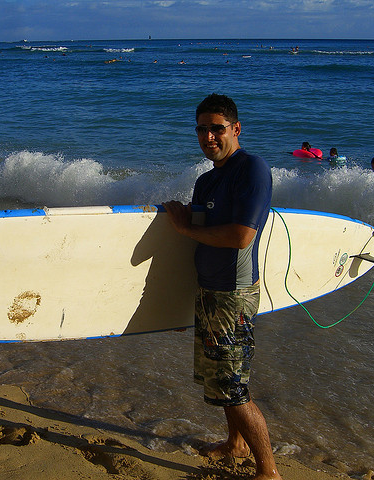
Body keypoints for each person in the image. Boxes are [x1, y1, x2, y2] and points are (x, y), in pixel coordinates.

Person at [163, 94, 281, 480]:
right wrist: (178, 305)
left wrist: (184, 228)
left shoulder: (252, 169)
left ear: (236, 128)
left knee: (233, 385)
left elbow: (242, 236)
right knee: (221, 379)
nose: (208, 136)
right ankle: (235, 443)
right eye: (202, 129)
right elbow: (196, 243)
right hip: (208, 292)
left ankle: (268, 471)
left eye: (217, 128)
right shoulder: (206, 181)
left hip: (234, 294)